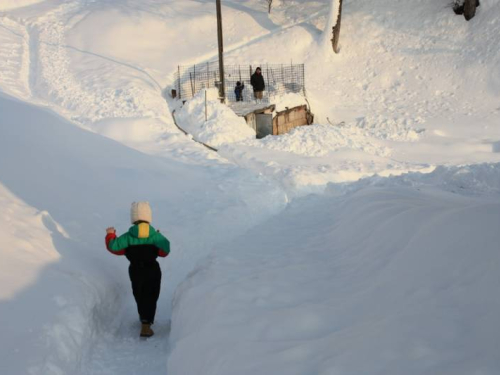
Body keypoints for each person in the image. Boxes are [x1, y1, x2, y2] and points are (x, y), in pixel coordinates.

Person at [105, 201, 170, 338]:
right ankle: (147, 322)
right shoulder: (155, 235)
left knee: (139, 293)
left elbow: (114, 247)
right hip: (152, 269)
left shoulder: (128, 236)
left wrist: (111, 235)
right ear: (148, 217)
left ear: (133, 218)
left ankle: (143, 318)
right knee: (152, 294)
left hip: (135, 270)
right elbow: (165, 251)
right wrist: (157, 239)